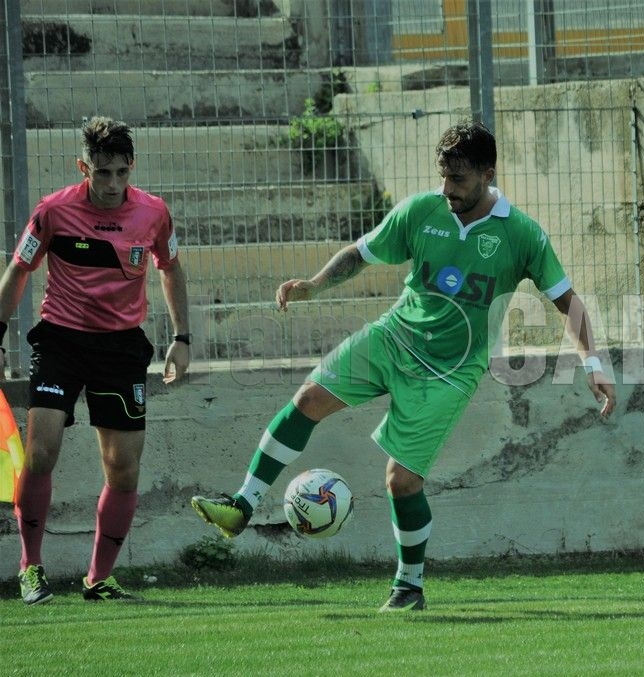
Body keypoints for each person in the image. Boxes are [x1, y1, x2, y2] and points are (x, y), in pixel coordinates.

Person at [191, 121, 615, 612]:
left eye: (458, 181)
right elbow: (360, 253)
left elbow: (568, 302)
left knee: (401, 481)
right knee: (307, 400)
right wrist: (314, 284)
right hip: (393, 337)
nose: (447, 189)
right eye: (443, 177)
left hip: (450, 372)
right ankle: (242, 505)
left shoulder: (522, 235)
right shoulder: (422, 211)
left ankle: (409, 586)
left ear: (487, 174)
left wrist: (594, 363)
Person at [0, 116, 191, 604]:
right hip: (61, 340)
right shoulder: (52, 212)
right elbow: (19, 269)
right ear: (83, 167)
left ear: (132, 168)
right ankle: (30, 568)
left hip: (121, 347)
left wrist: (182, 336)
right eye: (101, 172)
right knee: (41, 451)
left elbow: (170, 269)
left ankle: (99, 578)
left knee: (123, 469)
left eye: (121, 173)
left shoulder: (153, 214)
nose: (111, 184)